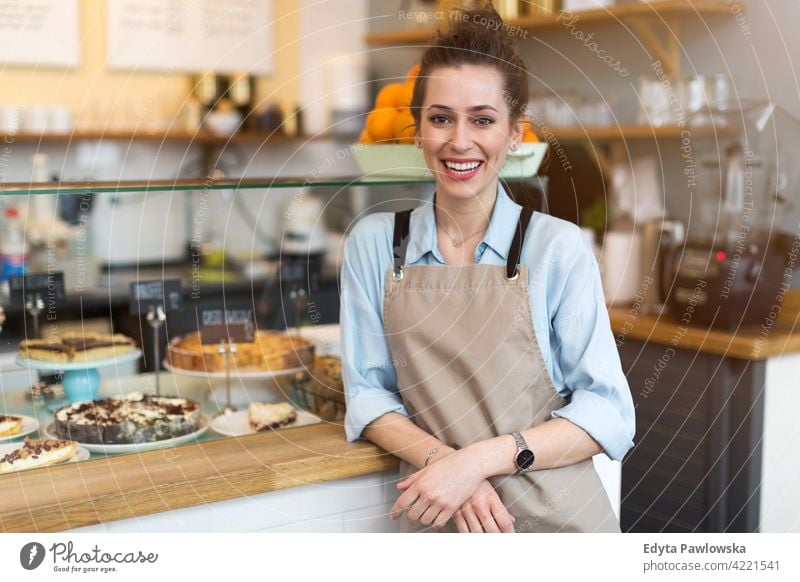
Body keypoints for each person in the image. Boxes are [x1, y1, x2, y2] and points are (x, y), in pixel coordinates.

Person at [340, 5, 634, 533]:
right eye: (440, 118)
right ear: (417, 131)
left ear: (515, 132)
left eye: (482, 119)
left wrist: (476, 462)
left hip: (557, 527)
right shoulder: (373, 246)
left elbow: (608, 411)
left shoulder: (557, 248)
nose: (459, 140)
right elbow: (367, 393)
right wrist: (444, 466)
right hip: (440, 519)